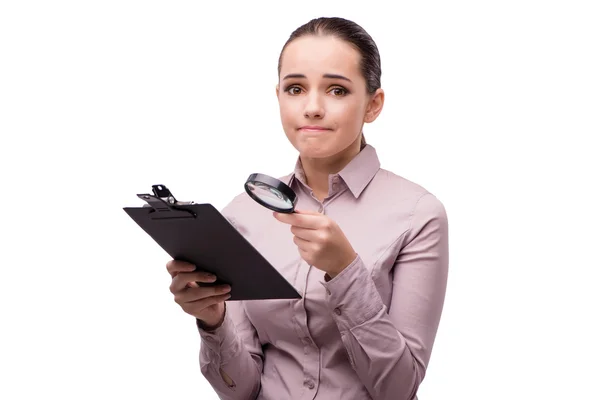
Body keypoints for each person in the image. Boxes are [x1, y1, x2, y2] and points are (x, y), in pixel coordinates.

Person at [166, 16, 449, 400]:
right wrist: (212, 320)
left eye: (336, 90)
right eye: (295, 88)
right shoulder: (243, 214)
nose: (312, 108)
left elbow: (399, 389)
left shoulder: (418, 214)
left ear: (373, 104)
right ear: (279, 96)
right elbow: (242, 390)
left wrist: (345, 271)